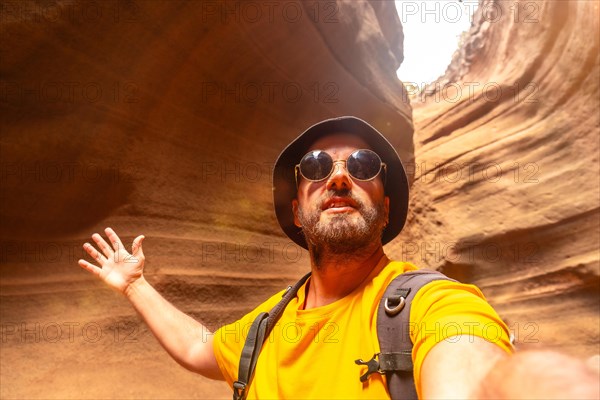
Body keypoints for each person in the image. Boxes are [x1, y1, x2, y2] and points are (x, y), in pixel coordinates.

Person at [77, 117, 595, 399]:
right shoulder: (265, 325)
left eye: (363, 165)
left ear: (386, 205)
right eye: (317, 166)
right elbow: (199, 347)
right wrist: (133, 286)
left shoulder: (430, 302)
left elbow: (475, 370)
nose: (340, 177)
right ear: (298, 213)